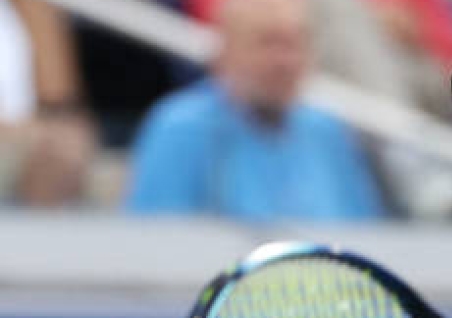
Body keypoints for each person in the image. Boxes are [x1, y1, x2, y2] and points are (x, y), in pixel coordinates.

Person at [125, 0, 384, 223]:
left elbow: (363, 246)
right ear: (226, 52)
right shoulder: (180, 129)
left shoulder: (328, 131)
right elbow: (157, 250)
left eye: (295, 43)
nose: (285, 61)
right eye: (268, 42)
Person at [0, 0, 95, 208]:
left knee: (63, 147)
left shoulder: (32, 7)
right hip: (16, 132)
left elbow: (61, 103)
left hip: (29, 129)